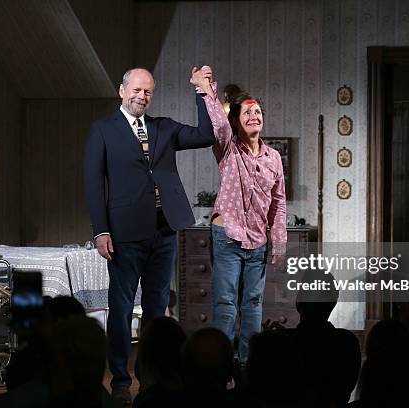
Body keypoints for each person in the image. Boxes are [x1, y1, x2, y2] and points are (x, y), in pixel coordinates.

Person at [83, 67, 215, 404]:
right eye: (137, 90)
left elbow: (205, 135)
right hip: (124, 233)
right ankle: (120, 382)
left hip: (164, 229)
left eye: (148, 92)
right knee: (122, 307)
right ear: (122, 91)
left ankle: (153, 378)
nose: (142, 96)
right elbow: (94, 185)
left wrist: (202, 92)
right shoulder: (102, 130)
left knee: (158, 308)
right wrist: (101, 230)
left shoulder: (164, 128)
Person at [191, 66, 287, 364]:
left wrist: (278, 239)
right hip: (228, 237)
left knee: (254, 304)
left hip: (257, 243)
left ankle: (247, 367)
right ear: (237, 121)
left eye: (258, 111)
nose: (254, 116)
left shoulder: (273, 158)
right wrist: (206, 88)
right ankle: (219, 369)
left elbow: (279, 202)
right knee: (225, 305)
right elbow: (219, 123)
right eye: (247, 113)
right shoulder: (229, 149)